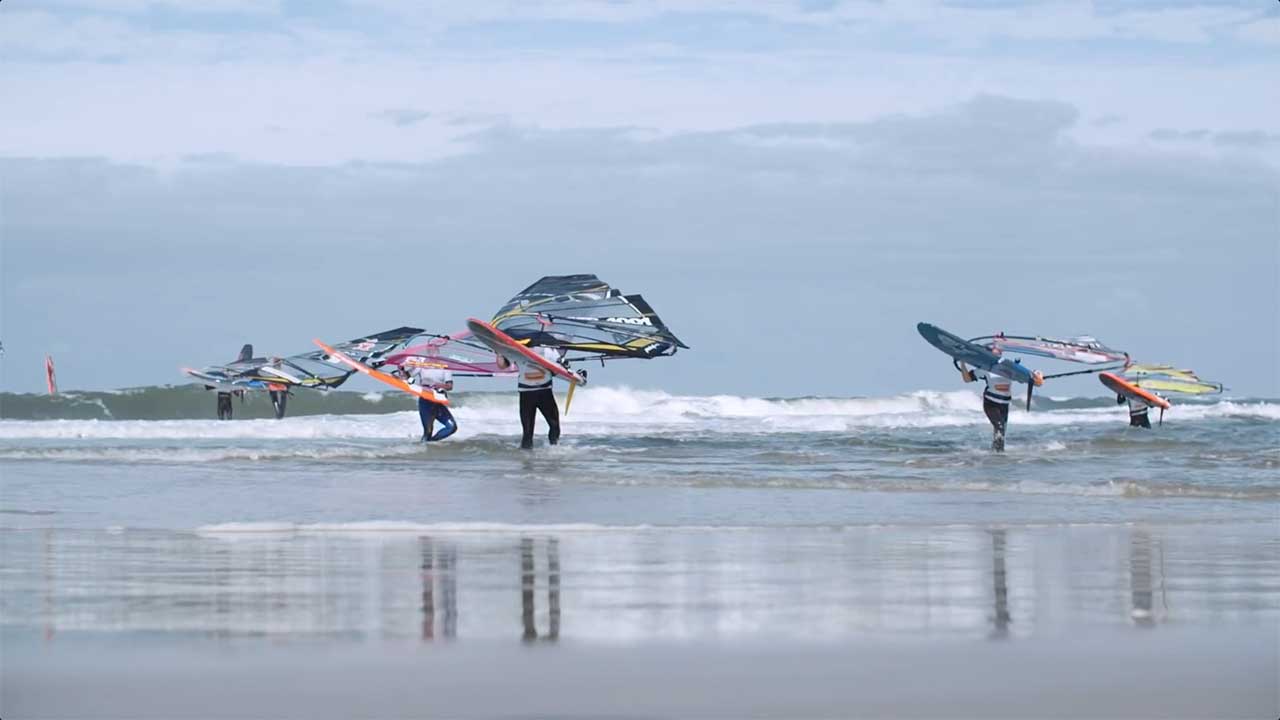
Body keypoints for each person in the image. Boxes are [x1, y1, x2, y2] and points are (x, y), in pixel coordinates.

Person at [958, 352, 1043, 453]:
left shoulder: (1011, 368)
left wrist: (1038, 375)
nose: (997, 352)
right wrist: (962, 364)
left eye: (999, 350)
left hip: (1004, 404)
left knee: (1001, 432)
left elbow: (1034, 380)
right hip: (991, 403)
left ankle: (997, 456)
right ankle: (997, 454)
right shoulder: (985, 368)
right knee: (999, 427)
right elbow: (967, 379)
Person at [495, 346, 570, 449]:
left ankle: (554, 451)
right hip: (526, 394)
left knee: (554, 425)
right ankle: (526, 461)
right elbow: (502, 366)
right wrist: (499, 351)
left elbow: (558, 368)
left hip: (544, 392)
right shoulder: (517, 349)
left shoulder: (548, 350)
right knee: (527, 432)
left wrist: (564, 365)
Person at [400, 362, 456, 442]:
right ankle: (424, 448)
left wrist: (440, 385)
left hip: (437, 400)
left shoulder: (445, 366)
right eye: (430, 349)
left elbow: (449, 386)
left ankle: (430, 443)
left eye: (434, 349)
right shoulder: (422, 365)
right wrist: (401, 369)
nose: (432, 350)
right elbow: (408, 379)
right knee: (428, 432)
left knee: (452, 427)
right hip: (425, 400)